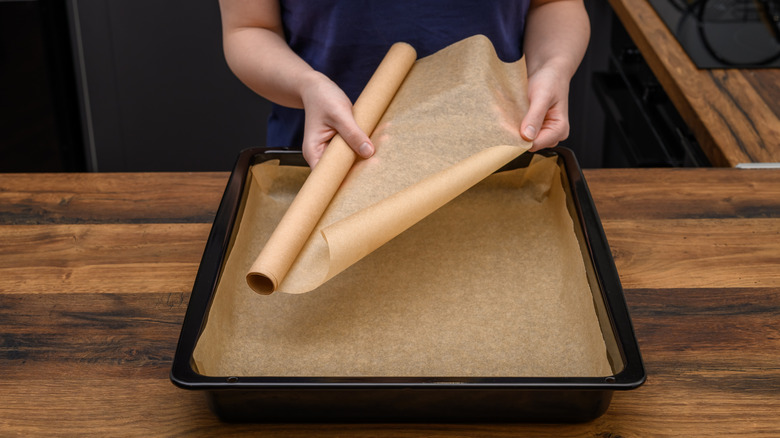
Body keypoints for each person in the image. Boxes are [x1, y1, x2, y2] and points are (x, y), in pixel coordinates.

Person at [218, 0, 590, 168]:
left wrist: (552, 66)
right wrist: (305, 84)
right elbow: (249, 27)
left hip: (497, 154)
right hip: (328, 158)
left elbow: (554, 3)